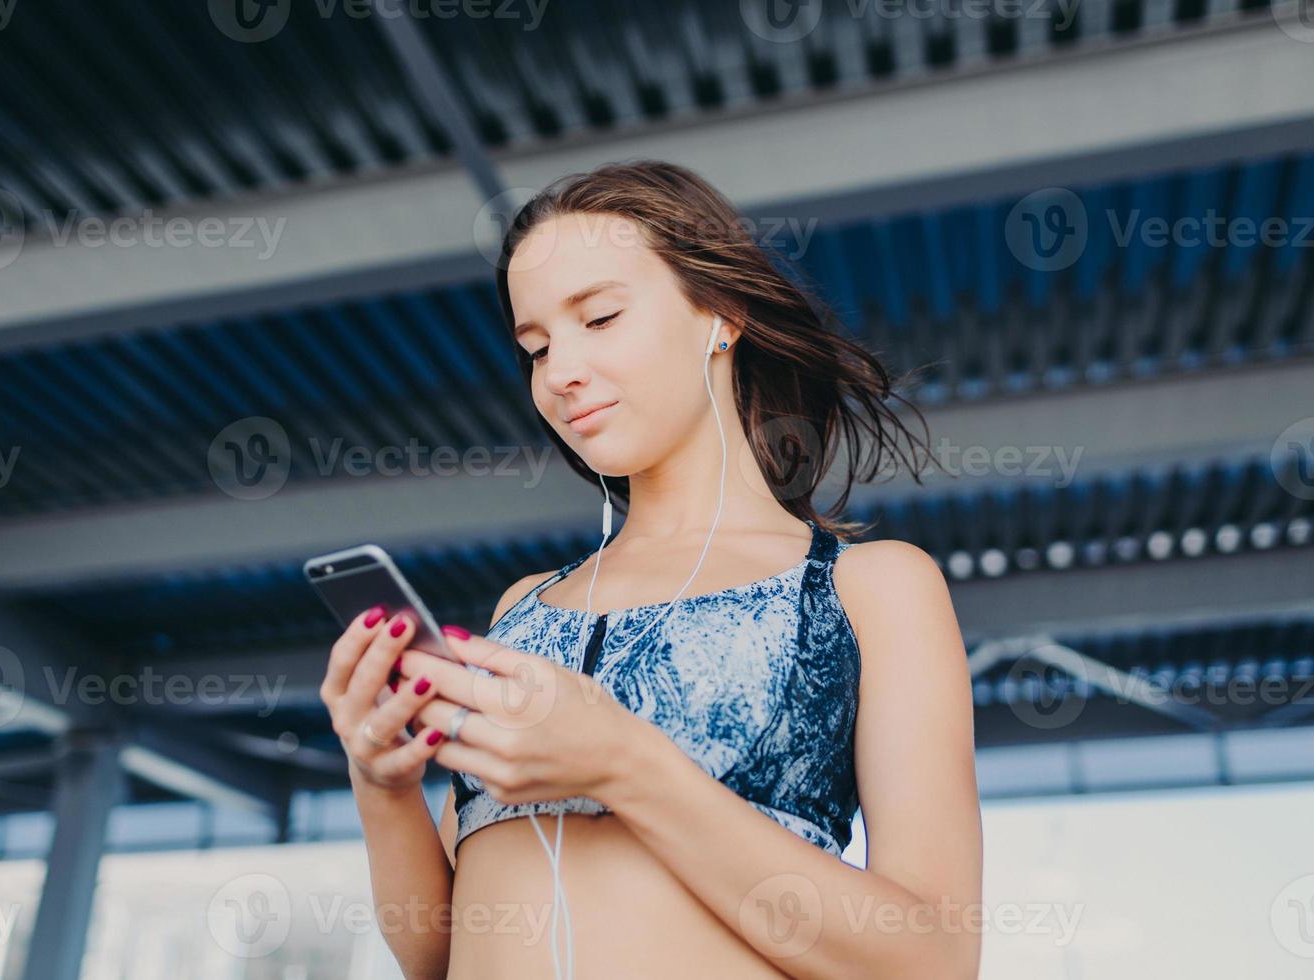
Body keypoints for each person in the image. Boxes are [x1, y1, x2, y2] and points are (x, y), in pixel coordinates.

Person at [320, 160, 983, 980]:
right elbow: (439, 955)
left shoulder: (867, 588)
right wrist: (380, 784)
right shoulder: (527, 609)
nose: (559, 372)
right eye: (535, 347)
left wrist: (623, 764)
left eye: (598, 318)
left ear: (723, 313)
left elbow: (934, 961)